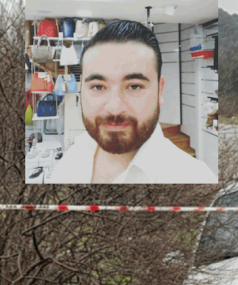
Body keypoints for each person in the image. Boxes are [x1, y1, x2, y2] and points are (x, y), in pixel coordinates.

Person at [51, 20, 218, 184]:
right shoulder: (74, 155)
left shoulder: (195, 179)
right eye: (98, 87)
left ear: (160, 91)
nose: (114, 108)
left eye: (135, 86)